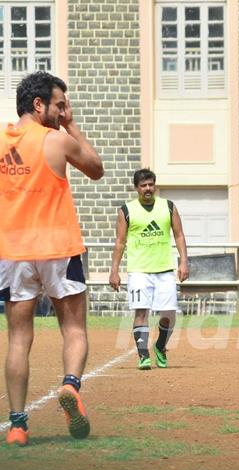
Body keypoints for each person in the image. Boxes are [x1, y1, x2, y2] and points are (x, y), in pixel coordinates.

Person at [0, 71, 104, 445]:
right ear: (39, 104)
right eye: (59, 105)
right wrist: (73, 127)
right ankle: (71, 386)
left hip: (13, 254)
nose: (63, 112)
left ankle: (16, 426)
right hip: (59, 249)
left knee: (17, 340)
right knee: (74, 329)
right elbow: (96, 168)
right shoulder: (57, 141)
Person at [109, 168, 189, 371]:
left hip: (164, 270)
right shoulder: (126, 210)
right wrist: (114, 270)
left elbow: (179, 235)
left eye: (151, 184)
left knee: (169, 314)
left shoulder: (168, 207)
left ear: (155, 185)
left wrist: (184, 262)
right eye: (143, 185)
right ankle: (143, 355)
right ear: (136, 188)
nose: (148, 188)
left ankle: (160, 347)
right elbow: (120, 242)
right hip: (139, 270)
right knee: (141, 312)